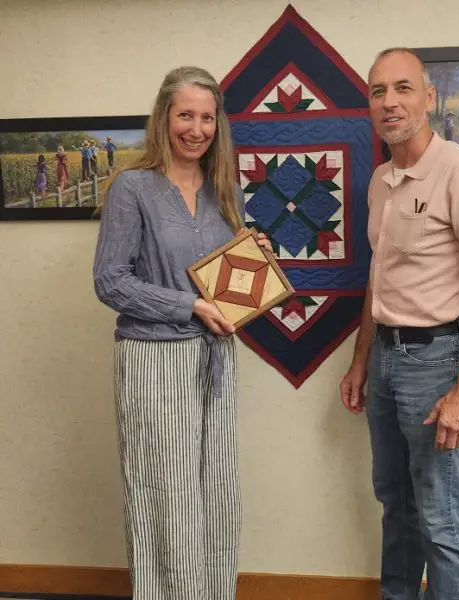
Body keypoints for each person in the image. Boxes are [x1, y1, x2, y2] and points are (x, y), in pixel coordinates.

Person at [340, 47, 459, 600]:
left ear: (429, 97)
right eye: (377, 92)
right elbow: (380, 275)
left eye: (402, 88)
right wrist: (361, 358)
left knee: (439, 517)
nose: (389, 102)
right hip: (388, 361)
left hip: (437, 365)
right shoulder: (381, 181)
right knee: (395, 502)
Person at [93, 66, 272, 600]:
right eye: (185, 115)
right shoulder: (133, 188)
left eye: (206, 117)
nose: (196, 128)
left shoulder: (225, 191)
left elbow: (230, 280)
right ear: (164, 118)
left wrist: (253, 268)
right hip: (154, 360)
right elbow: (109, 281)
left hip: (216, 359)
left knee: (217, 491)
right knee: (165, 495)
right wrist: (188, 304)